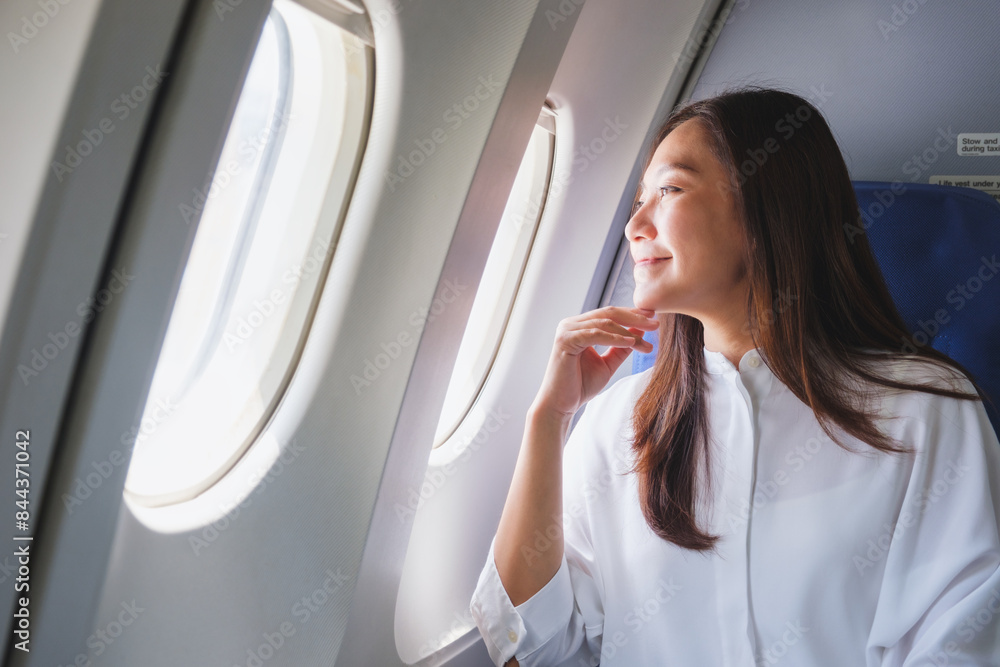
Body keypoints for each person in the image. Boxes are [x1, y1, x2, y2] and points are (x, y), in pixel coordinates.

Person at [469, 87, 1000, 666]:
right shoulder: (617, 421)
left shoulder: (924, 408)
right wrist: (548, 419)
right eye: (636, 202)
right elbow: (530, 651)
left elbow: (964, 640)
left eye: (669, 190)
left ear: (766, 206)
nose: (634, 226)